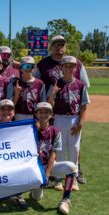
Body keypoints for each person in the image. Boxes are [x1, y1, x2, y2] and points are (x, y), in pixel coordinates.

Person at [36, 35, 90, 185]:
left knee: (74, 145)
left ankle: (75, 173)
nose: (59, 47)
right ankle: (57, 175)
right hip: (53, 112)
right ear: (51, 47)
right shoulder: (43, 64)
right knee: (57, 145)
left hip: (73, 113)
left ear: (65, 47)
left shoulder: (77, 64)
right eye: (56, 44)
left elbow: (84, 90)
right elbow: (37, 84)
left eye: (62, 44)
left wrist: (81, 120)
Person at [47, 56, 90, 191]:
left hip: (74, 119)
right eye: (66, 66)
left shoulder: (80, 85)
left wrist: (81, 123)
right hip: (59, 118)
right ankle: (59, 179)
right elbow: (49, 106)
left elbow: (84, 106)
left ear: (75, 68)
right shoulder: (56, 84)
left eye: (71, 66)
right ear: (62, 68)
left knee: (74, 148)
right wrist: (53, 94)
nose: (69, 68)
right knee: (60, 149)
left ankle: (73, 178)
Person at [31, 102, 77, 215]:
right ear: (36, 114)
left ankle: (65, 200)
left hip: (48, 165)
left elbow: (53, 154)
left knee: (71, 167)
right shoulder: (29, 129)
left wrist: (47, 174)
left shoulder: (55, 131)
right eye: (40, 112)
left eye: (46, 112)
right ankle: (30, 190)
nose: (43, 114)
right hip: (34, 168)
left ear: (51, 115)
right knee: (36, 198)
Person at [0, 99, 27, 209]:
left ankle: (18, 194)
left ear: (14, 112)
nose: (6, 111)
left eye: (9, 109)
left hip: (13, 160)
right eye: (2, 109)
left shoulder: (19, 128)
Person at [7, 56, 46, 120]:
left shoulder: (40, 84)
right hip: (18, 116)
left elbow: (43, 103)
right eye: (25, 66)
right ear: (20, 68)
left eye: (31, 66)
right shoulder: (15, 83)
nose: (28, 68)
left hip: (34, 116)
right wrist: (16, 95)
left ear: (34, 68)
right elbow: (9, 106)